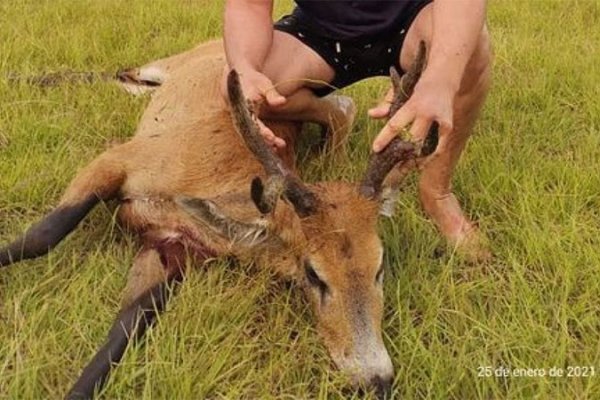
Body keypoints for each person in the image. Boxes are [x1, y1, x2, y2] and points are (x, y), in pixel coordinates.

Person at [221, 0, 492, 261]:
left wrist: (440, 78)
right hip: (321, 33)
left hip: (411, 22)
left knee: (470, 52)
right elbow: (248, 4)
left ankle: (437, 192)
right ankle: (332, 114)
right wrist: (245, 67)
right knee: (238, 87)